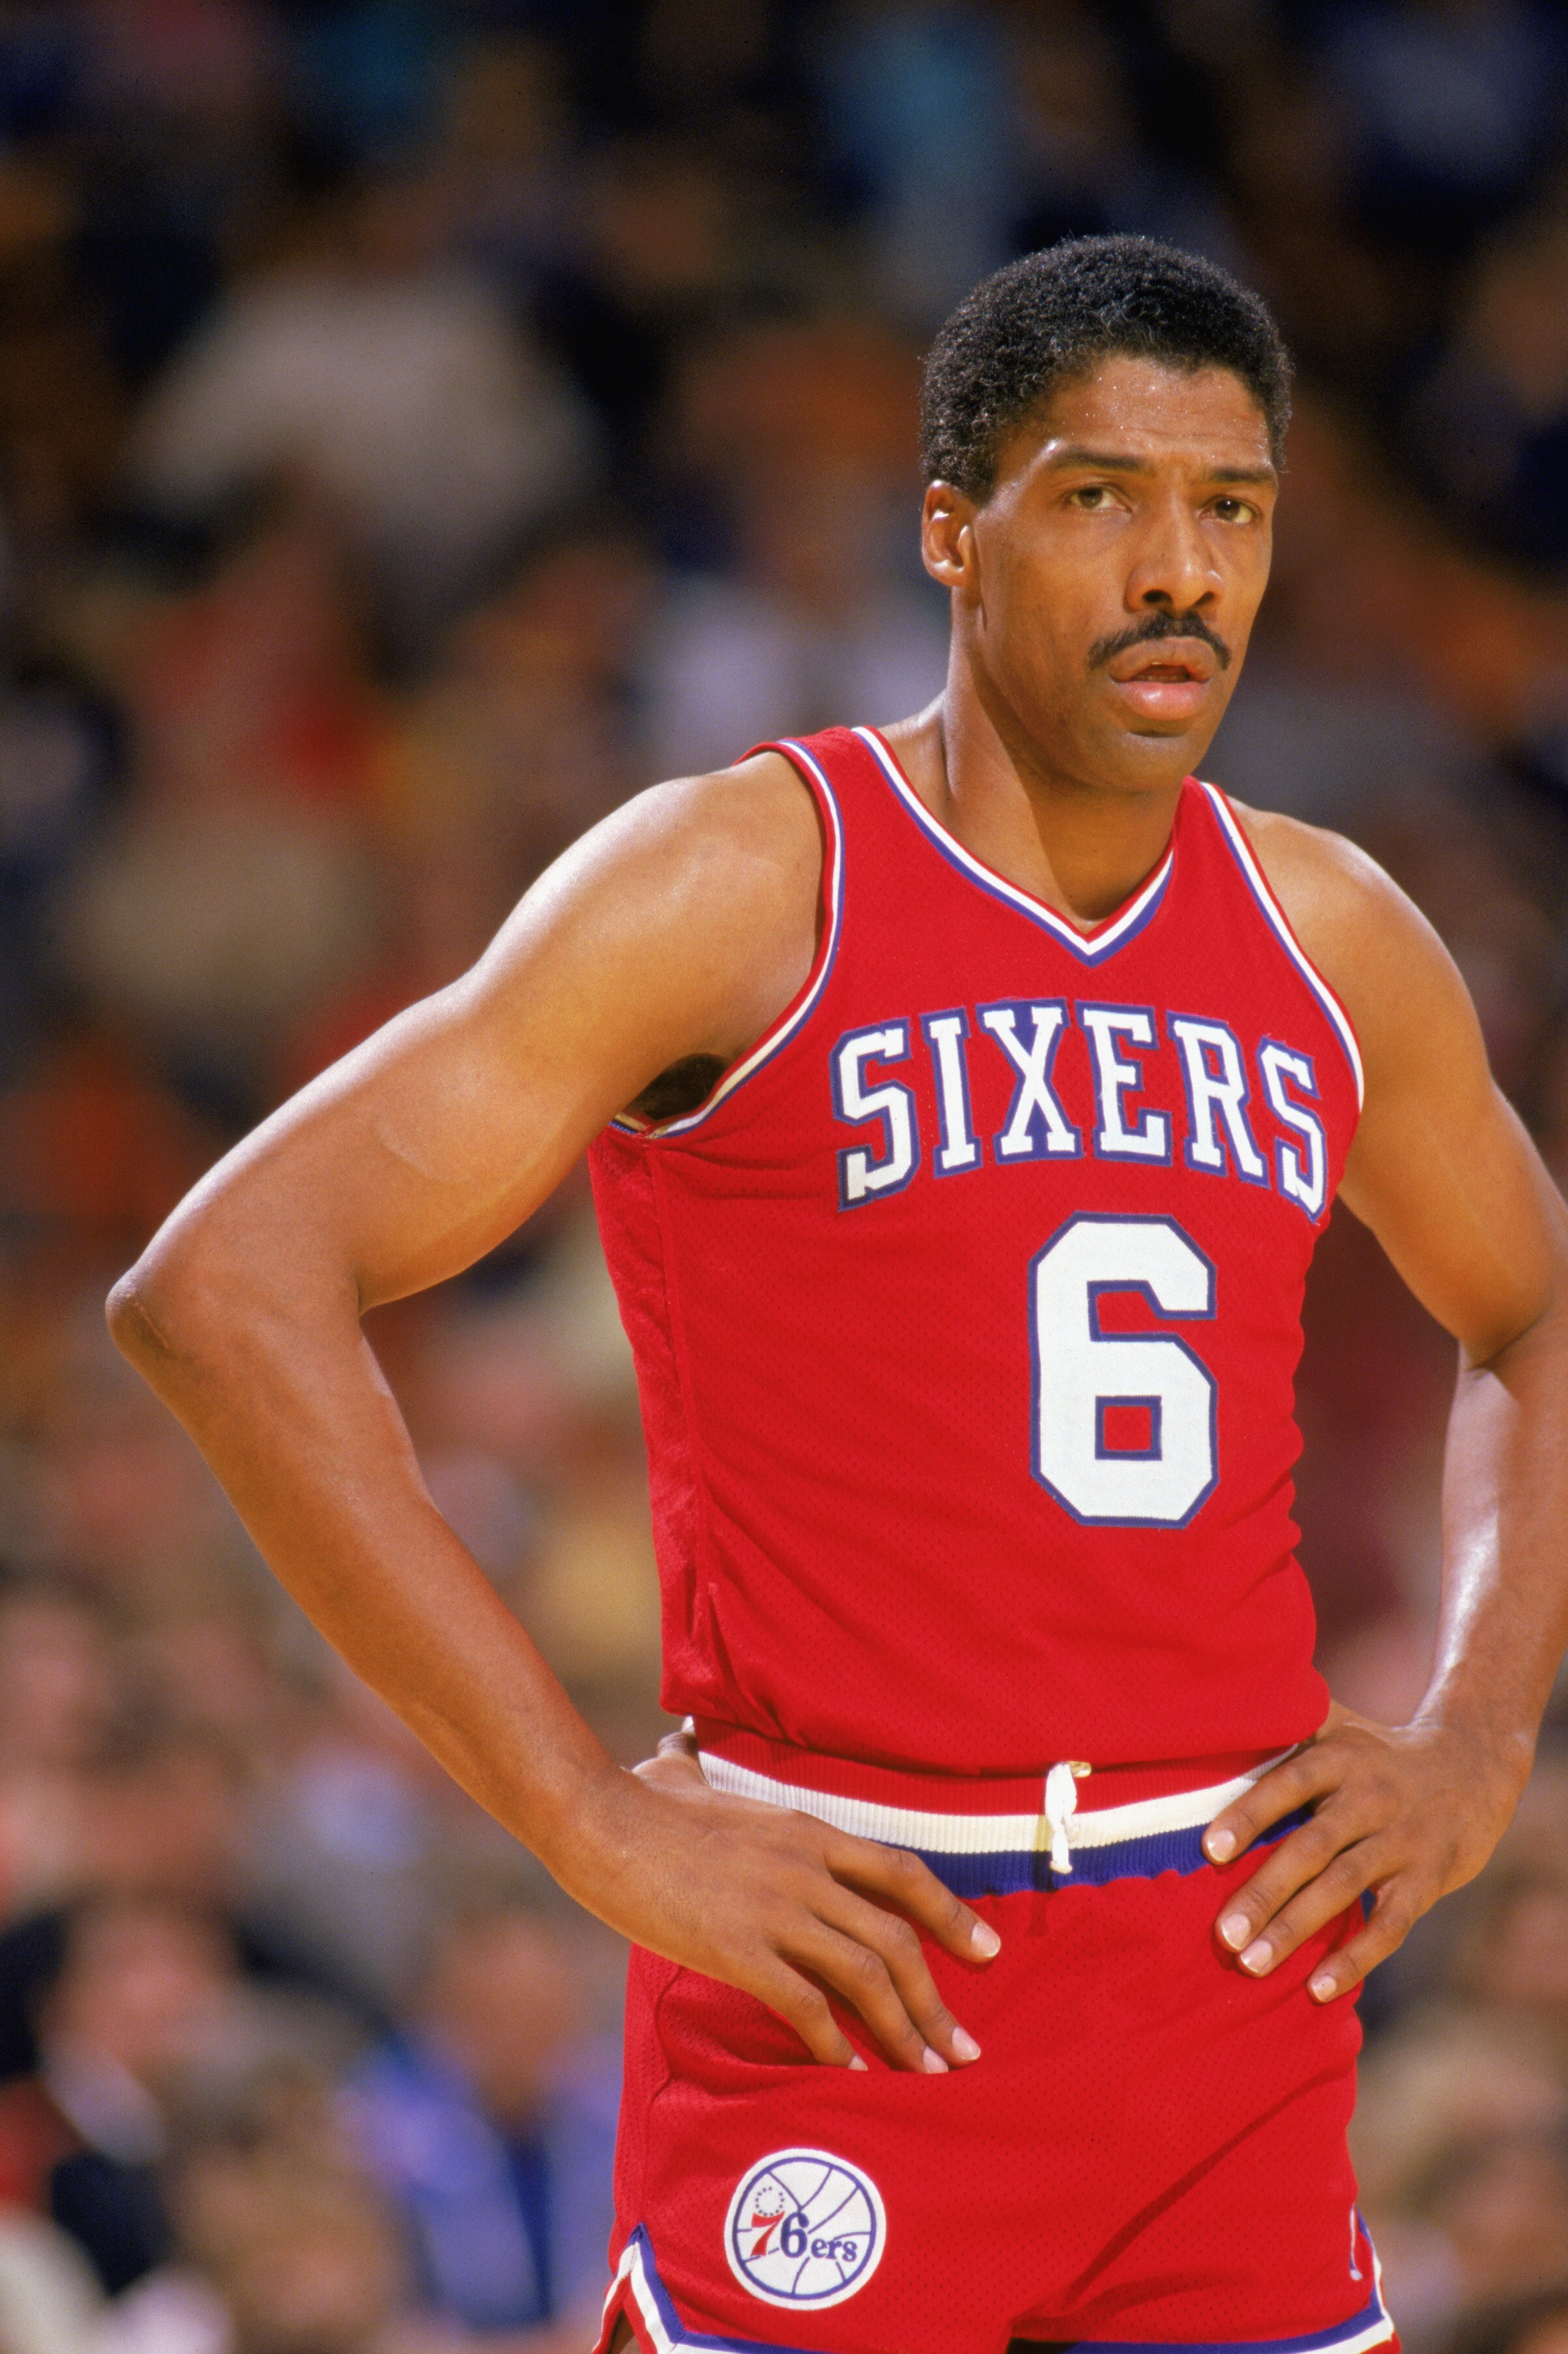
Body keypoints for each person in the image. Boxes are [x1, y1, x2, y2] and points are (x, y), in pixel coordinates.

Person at [106, 236, 1568, 2354]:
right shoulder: (736, 878)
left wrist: (1475, 1735)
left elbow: (1533, 1311)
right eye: (1101, 496)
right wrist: (582, 1811)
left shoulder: (1331, 929)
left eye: (1229, 509)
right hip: (857, 1947)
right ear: (953, 532)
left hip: (1230, 1979)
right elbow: (220, 1288)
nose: (1181, 569)